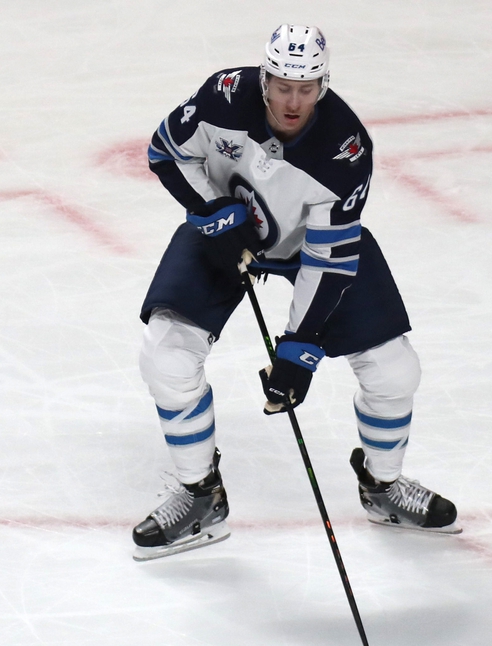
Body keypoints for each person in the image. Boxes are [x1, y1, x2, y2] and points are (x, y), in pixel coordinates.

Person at [132, 24, 460, 561]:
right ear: (265, 78)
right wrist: (212, 212)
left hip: (311, 248)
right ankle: (200, 496)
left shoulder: (345, 150)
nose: (292, 100)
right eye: (282, 85)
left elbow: (328, 261)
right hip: (223, 236)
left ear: (322, 85)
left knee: (395, 370)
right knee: (165, 357)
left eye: (306, 88)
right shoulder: (224, 96)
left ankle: (383, 488)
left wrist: (298, 348)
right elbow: (165, 152)